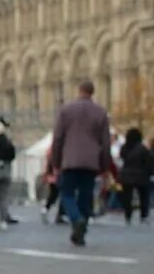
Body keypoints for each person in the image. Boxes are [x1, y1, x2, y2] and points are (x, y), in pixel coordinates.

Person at [47, 79, 112, 248]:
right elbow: (106, 143)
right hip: (91, 162)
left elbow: (58, 138)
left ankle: (77, 220)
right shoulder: (101, 112)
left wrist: (55, 163)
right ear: (93, 92)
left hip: (70, 160)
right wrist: (105, 166)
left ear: (79, 90)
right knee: (86, 196)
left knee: (67, 193)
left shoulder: (66, 110)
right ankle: (80, 233)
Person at [117, 126, 154, 224]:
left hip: (126, 175)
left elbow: (121, 158)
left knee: (127, 197)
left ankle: (128, 215)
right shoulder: (143, 149)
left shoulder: (124, 147)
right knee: (143, 196)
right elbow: (149, 162)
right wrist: (151, 173)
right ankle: (143, 215)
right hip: (141, 175)